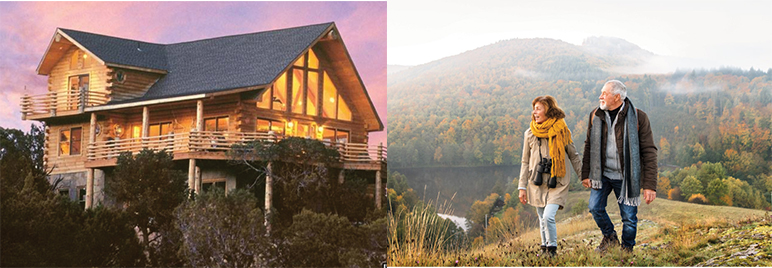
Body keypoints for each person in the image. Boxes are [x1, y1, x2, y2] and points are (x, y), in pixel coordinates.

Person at [581, 80, 658, 253]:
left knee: (629, 218)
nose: (600, 96)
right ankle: (610, 237)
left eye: (604, 93)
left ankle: (626, 250)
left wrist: (649, 185)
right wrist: (586, 173)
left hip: (627, 177)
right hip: (603, 174)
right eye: (601, 92)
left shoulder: (639, 117)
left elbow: (649, 151)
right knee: (595, 208)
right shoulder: (595, 115)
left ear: (616, 97)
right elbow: (589, 145)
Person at [518, 95, 582, 257]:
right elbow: (525, 161)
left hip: (557, 181)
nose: (534, 112)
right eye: (534, 109)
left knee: (548, 216)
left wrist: (583, 176)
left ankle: (552, 250)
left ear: (549, 110)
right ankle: (544, 248)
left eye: (538, 108)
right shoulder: (529, 133)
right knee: (541, 217)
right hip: (536, 181)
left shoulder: (562, 131)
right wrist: (521, 186)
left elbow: (573, 156)